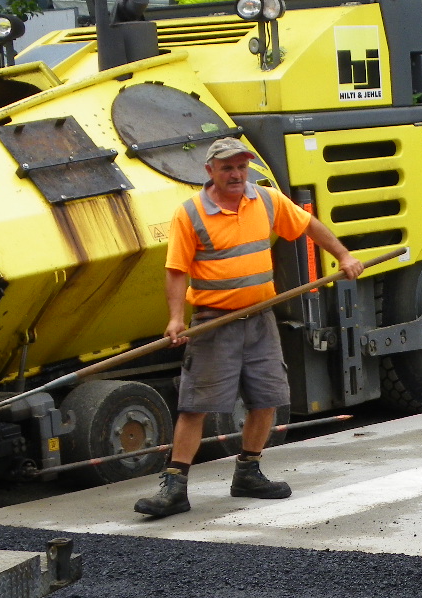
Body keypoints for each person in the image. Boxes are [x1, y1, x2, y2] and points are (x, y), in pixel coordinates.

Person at [135, 138, 363, 517]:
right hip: (213, 323)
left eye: (241, 167)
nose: (236, 174)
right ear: (210, 171)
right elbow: (176, 270)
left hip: (260, 320)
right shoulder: (190, 213)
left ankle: (248, 473)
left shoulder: (267, 200)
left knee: (267, 397)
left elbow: (308, 224)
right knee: (195, 405)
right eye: (227, 168)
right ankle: (174, 487)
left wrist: (343, 255)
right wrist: (175, 318)